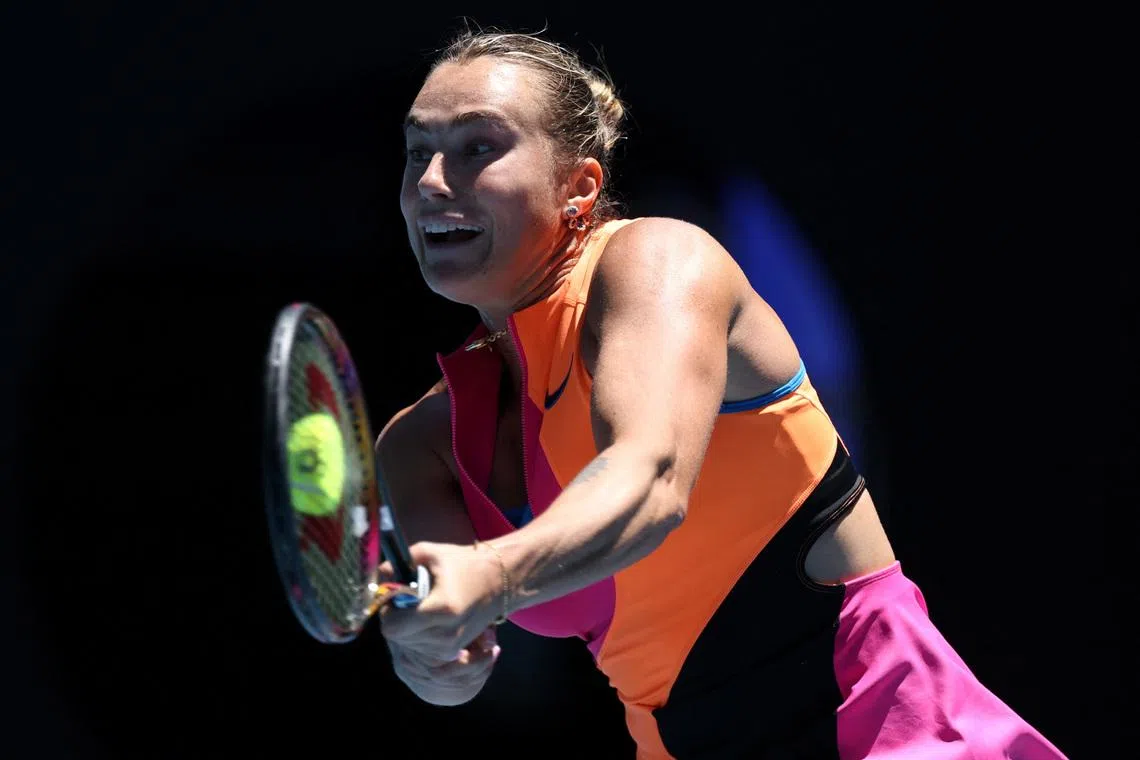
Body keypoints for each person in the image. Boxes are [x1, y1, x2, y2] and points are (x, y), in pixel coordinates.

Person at [373, 25, 1068, 759]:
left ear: (579, 186)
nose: (430, 182)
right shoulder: (420, 447)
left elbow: (651, 481)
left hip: (887, 729)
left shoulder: (659, 261)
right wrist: (432, 654)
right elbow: (451, 666)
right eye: (420, 151)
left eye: (478, 147)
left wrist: (495, 573)